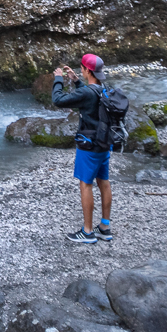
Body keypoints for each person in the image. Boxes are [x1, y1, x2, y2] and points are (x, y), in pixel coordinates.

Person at [48, 53, 115, 244]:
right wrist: (77, 81)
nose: (81, 71)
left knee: (86, 184)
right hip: (104, 143)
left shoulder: (87, 93)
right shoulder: (104, 88)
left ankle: (87, 232)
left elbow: (58, 100)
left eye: (82, 69)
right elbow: (89, 98)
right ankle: (104, 227)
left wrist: (58, 79)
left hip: (89, 145)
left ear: (87, 70)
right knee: (104, 182)